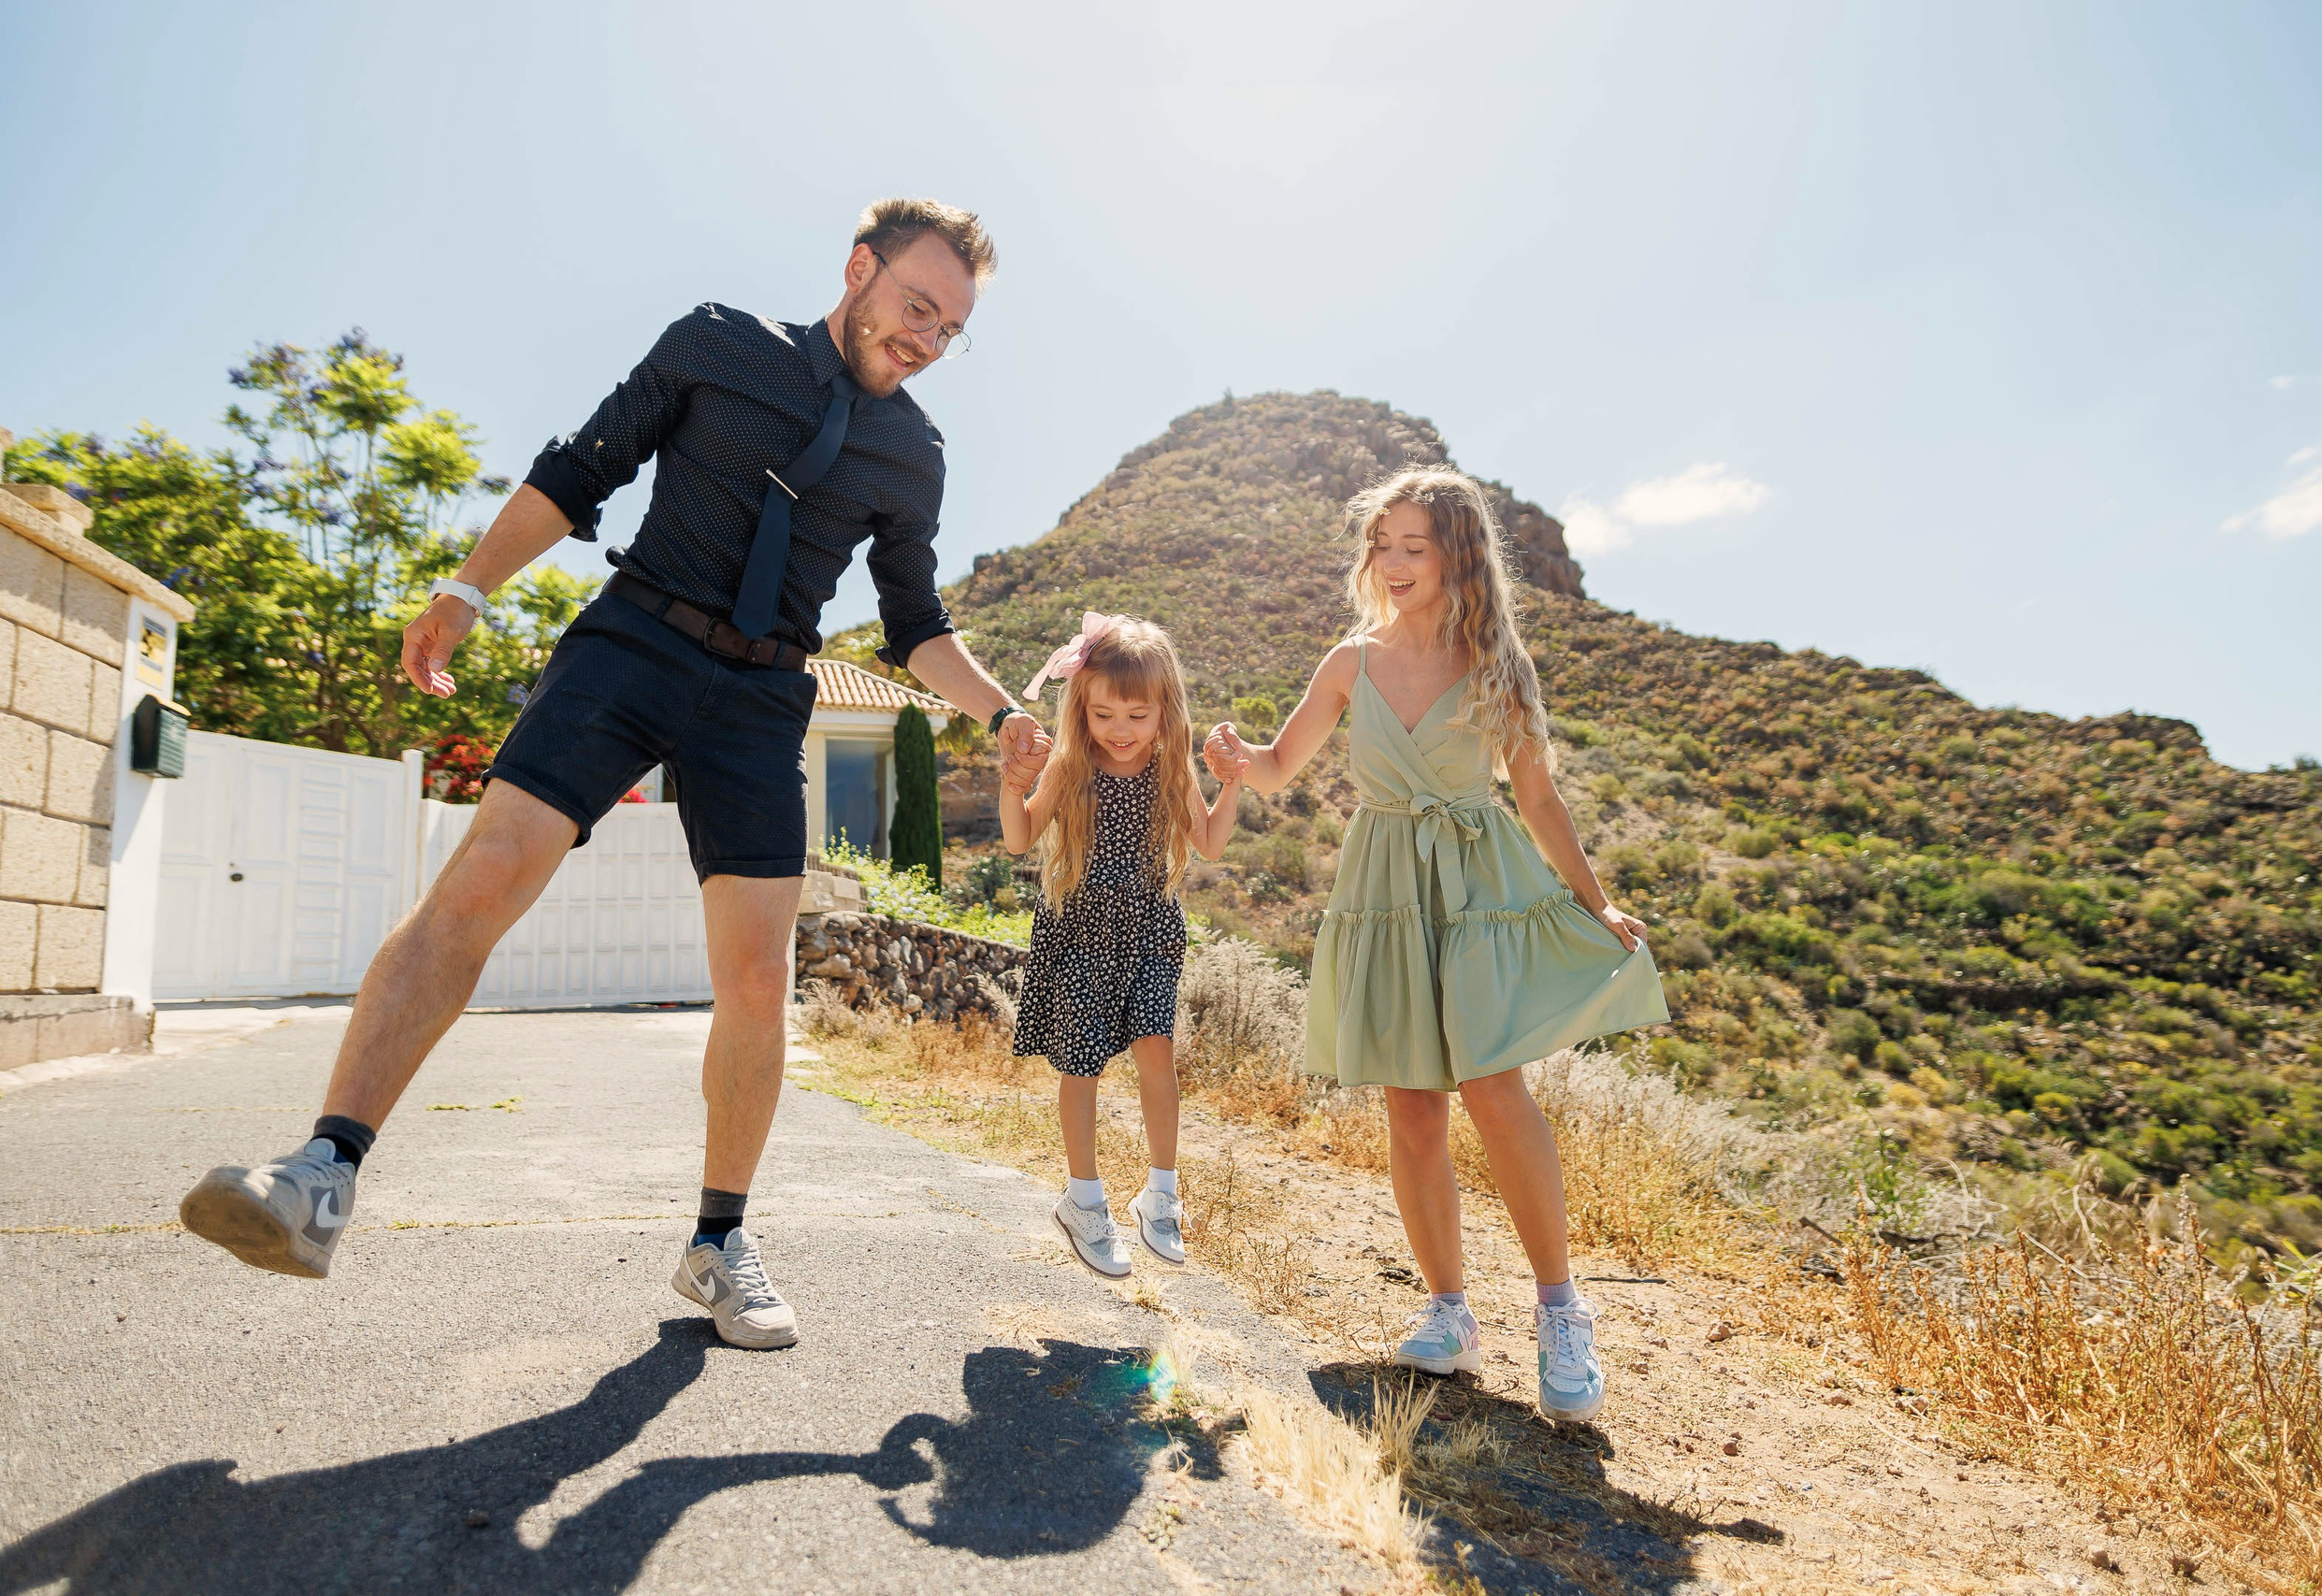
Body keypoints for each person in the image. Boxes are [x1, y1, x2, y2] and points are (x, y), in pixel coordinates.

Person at [179, 197, 1053, 1351]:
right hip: (634, 640)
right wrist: (469, 586)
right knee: (486, 875)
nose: (927, 339)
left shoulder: (912, 450)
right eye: (915, 307)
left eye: (951, 330)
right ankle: (321, 1175)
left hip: (762, 694)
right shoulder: (716, 342)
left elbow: (912, 621)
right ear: (859, 270)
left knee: (754, 975)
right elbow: (579, 468)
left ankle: (719, 1243)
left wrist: (1000, 711)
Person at [1202, 467, 1669, 1421]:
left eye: (1414, 545)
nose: (1394, 562)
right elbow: (1282, 767)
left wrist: (1597, 902)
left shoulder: (1495, 662)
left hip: (1475, 884)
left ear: (1457, 552)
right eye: (1382, 545)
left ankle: (1559, 1312)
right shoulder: (1350, 660)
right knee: (1411, 1109)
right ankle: (1449, 1316)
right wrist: (1236, 762)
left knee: (1495, 1088)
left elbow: (1537, 799)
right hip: (1384, 886)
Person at [1000, 614, 1241, 1278]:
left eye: (1136, 713)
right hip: (1081, 927)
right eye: (1103, 712)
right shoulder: (1071, 766)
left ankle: (1160, 1194)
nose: (1121, 728)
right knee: (1082, 1067)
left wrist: (1234, 780)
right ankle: (1083, 1201)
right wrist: (1010, 784)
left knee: (1157, 1052)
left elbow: (1212, 843)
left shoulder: (1170, 769)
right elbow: (1020, 838)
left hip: (1151, 928)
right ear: (1082, 708)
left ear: (1165, 711)